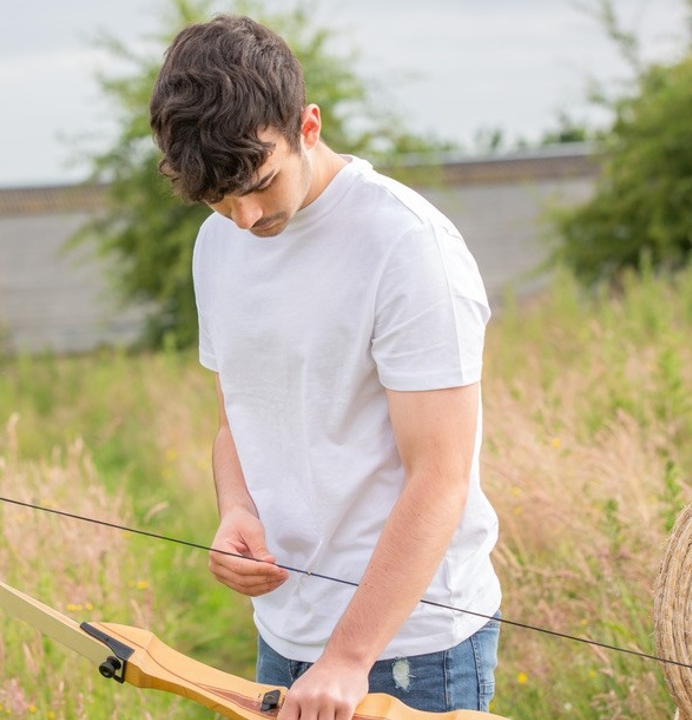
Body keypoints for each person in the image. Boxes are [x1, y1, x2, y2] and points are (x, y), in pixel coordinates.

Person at [149, 14, 501, 719]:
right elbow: (236, 419)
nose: (245, 218)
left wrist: (349, 658)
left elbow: (441, 476)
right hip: (286, 635)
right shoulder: (216, 247)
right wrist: (238, 509)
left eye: (261, 183)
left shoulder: (406, 246)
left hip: (410, 648)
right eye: (219, 199)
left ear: (308, 125)